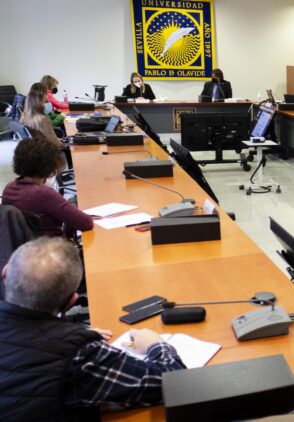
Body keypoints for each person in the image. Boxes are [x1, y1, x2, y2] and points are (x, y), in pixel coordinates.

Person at [0, 237, 185, 420]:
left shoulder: (71, 347)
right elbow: (173, 383)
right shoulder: (80, 356)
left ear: (5, 273)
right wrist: (155, 345)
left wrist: (68, 335)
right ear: (71, 301)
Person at [2, 134, 93, 237]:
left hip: (24, 245)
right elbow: (86, 223)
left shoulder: (9, 189)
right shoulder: (44, 194)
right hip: (51, 245)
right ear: (50, 165)